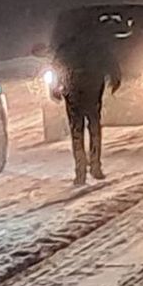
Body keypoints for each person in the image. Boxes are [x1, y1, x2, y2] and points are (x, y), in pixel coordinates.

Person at [51, 31, 122, 185]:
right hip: (92, 90)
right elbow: (111, 64)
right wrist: (115, 79)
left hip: (73, 92)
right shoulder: (96, 46)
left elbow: (56, 68)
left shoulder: (66, 48)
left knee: (77, 130)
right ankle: (94, 166)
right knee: (94, 127)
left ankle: (81, 170)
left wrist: (55, 88)